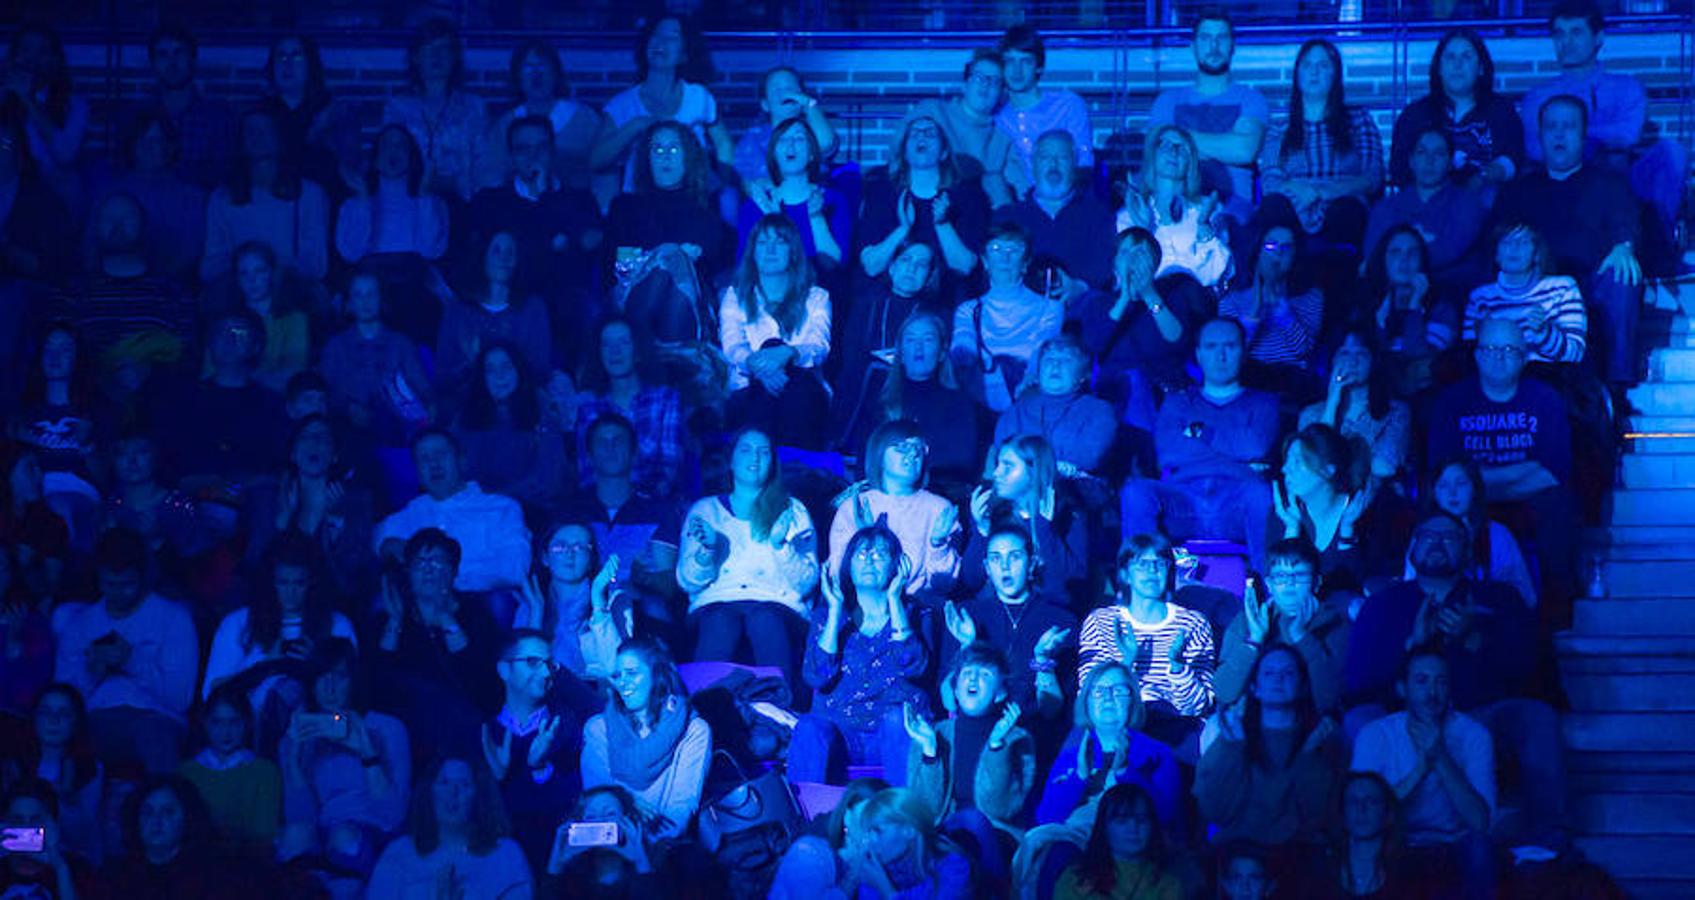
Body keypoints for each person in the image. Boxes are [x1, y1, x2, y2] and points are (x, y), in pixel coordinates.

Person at [1491, 94, 1643, 384]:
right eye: (1551, 127)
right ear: (1541, 136)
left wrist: (1624, 247)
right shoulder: (1518, 191)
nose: (1559, 134)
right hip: (1535, 288)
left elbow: (1627, 224)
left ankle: (1617, 385)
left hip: (1591, 283)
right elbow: (1498, 242)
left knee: (1623, 274)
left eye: (1569, 126)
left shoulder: (1609, 183)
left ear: (1583, 135)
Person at [1426, 319, 1577, 605]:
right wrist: (1521, 473)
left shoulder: (1546, 400)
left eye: (1508, 349)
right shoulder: (1452, 401)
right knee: (1446, 498)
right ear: (1477, 355)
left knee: (1560, 504)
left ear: (1524, 357)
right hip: (1465, 500)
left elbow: (1553, 473)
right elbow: (1443, 474)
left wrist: (1476, 479)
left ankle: (1557, 610)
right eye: (1490, 348)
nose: (1498, 356)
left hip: (1532, 503)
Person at [1520, 1, 1687, 249]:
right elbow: (1535, 148)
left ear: (1598, 38)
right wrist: (1595, 140)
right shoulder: (1538, 97)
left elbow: (1628, 135)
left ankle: (1660, 246)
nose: (1566, 42)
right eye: (1559, 34)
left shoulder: (1626, 87)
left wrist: (1572, 133)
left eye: (1576, 32)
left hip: (1623, 175)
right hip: (1565, 180)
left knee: (1671, 151)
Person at [1119, 318, 1279, 566]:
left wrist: (1199, 432)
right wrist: (1236, 454)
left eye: (1230, 346)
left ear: (1243, 352)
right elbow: (1169, 452)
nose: (1221, 355)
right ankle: (1139, 580)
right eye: (1211, 347)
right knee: (1136, 491)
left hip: (1235, 500)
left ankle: (1267, 591)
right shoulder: (1178, 402)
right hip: (1183, 500)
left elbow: (1255, 446)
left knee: (1259, 493)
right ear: (1199, 355)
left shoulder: (1264, 403)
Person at [1351, 647, 1495, 899]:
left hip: (1452, 844)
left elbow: (1481, 822)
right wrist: (1420, 770)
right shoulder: (1376, 734)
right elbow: (1359, 815)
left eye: (1440, 682)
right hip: (1395, 845)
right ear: (1402, 689)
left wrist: (1440, 757)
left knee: (1481, 849)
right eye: (1421, 681)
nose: (1431, 693)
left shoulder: (1474, 735)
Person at [51, 528, 197, 775]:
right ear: (98, 578)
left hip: (155, 718)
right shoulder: (80, 625)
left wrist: (131, 660)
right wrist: (92, 672)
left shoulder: (174, 618)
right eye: (110, 584)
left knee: (154, 734)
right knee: (65, 739)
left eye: (127, 584)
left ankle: (166, 806)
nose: (118, 592)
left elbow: (179, 699)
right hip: (95, 718)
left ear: (142, 577)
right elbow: (64, 700)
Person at [792, 524, 929, 785]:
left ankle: (902, 815)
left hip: (892, 734)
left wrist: (895, 601)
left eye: (879, 554)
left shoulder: (916, 614)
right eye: (861, 554)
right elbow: (816, 676)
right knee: (809, 727)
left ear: (896, 566)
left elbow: (914, 666)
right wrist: (834, 612)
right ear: (849, 565)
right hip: (842, 735)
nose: (869, 560)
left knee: (897, 718)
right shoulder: (828, 617)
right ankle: (804, 821)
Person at [459, 115, 603, 354]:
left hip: (565, 295)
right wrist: (557, 242)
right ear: (511, 156)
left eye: (541, 147)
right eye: (523, 149)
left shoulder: (579, 199)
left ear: (552, 150)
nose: (533, 156)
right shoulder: (490, 202)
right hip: (511, 294)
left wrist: (543, 199)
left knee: (587, 308)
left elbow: (589, 246)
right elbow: (490, 259)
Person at [677, 428, 819, 671]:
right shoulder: (706, 510)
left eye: (763, 452)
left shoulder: (793, 511)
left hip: (776, 603)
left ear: (773, 462)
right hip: (717, 601)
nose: (754, 458)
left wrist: (780, 545)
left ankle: (776, 700)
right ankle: (705, 702)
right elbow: (688, 582)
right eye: (746, 450)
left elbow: (806, 582)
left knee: (764, 618)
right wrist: (707, 551)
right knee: (720, 621)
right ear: (731, 459)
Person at [277, 639, 410, 870]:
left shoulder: (386, 728)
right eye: (321, 676)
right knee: (294, 836)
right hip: (321, 836)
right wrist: (294, 763)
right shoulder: (296, 736)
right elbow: (301, 818)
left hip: (371, 832)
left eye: (339, 676)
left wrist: (367, 753)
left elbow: (393, 816)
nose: (329, 687)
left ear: (353, 681)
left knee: (344, 838)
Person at [372, 529, 502, 764]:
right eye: (419, 562)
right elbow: (378, 687)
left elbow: (485, 689)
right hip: (409, 731)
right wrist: (394, 622)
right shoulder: (390, 619)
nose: (428, 569)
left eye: (437, 561)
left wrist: (447, 621)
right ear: (407, 572)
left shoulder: (475, 615)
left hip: (463, 725)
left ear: (454, 571)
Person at [1195, 643, 1341, 848]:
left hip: (1299, 852)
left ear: (1303, 684)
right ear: (1255, 687)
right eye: (1268, 672)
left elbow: (1320, 814)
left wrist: (1309, 756)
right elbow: (1214, 809)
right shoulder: (1232, 735)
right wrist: (1233, 748)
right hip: (1238, 851)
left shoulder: (1321, 737)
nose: (1278, 679)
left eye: (1288, 672)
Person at [1077, 536, 1218, 737]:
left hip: (1175, 725)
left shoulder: (1193, 623)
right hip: (1119, 724)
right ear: (1125, 574)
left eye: (1160, 563)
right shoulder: (1101, 622)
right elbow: (1089, 696)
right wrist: (1126, 662)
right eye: (1142, 564)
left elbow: (1198, 707)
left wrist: (1178, 668)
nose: (1152, 571)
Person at [943, 526, 1075, 735]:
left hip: (1036, 736)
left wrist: (1043, 660)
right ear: (987, 567)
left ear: (1031, 563)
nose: (1005, 567)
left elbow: (1052, 712)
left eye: (1014, 557)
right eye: (996, 559)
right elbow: (948, 700)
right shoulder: (967, 615)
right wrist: (967, 646)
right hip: (977, 734)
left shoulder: (1059, 620)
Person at [717, 215, 834, 448]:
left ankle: (790, 464)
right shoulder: (735, 296)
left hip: (803, 392)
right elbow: (732, 347)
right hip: (747, 391)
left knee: (784, 363)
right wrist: (758, 366)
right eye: (762, 243)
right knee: (770, 350)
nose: (770, 250)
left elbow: (819, 346)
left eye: (779, 242)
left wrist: (788, 354)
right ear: (753, 252)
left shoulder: (816, 297)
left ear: (792, 251)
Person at [580, 637, 712, 841]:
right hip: (608, 846)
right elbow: (597, 803)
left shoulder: (694, 730)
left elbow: (680, 809)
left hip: (663, 849)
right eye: (617, 675)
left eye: (632, 673)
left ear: (657, 675)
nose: (623, 682)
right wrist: (627, 802)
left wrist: (645, 853)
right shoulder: (598, 728)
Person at [1146, 9, 1270, 225]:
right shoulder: (1168, 101)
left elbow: (1244, 150)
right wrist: (1225, 144)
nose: (1214, 47)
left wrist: (1180, 140)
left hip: (1233, 207)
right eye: (1205, 38)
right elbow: (1156, 150)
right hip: (1177, 200)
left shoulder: (1251, 99)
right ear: (1193, 46)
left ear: (1233, 46)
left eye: (1221, 38)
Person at [593, 16, 733, 204]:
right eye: (656, 35)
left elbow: (724, 143)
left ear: (685, 52)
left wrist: (722, 182)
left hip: (694, 201)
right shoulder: (622, 104)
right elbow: (595, 160)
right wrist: (634, 127)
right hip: (641, 202)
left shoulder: (699, 97)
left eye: (672, 37)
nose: (661, 42)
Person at [1258, 39, 1383, 251]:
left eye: (1323, 65)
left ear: (1335, 75)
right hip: (1295, 206)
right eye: (1307, 65)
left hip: (1342, 205)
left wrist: (1323, 192)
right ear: (1297, 75)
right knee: (1273, 208)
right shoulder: (1279, 128)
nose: (1314, 72)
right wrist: (1302, 192)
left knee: (1347, 212)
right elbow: (1271, 181)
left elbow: (1372, 177)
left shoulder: (1359, 119)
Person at [200, 534, 358, 701]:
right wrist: (264, 665)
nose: (291, 592)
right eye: (283, 582)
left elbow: (353, 695)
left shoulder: (337, 625)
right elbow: (212, 696)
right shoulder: (238, 623)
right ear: (270, 582)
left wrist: (318, 664)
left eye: (299, 583)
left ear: (312, 583)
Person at [905, 642, 1038, 838]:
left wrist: (996, 747)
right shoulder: (933, 735)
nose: (973, 677)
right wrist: (930, 753)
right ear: (956, 690)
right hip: (945, 837)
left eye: (985, 674)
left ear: (1000, 693)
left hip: (996, 838)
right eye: (967, 672)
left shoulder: (1017, 740)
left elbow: (999, 809)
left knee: (972, 822)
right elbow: (926, 812)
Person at [374, 428, 531, 594]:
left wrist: (448, 577)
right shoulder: (408, 514)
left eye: (441, 454)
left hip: (479, 605)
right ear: (417, 471)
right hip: (423, 611)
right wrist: (387, 546)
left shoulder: (501, 508)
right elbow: (377, 541)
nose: (434, 464)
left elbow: (515, 570)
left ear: (461, 460)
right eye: (424, 458)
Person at [1032, 661, 1182, 833]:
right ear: (1086, 703)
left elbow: (1165, 816)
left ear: (1133, 701)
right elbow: (1046, 818)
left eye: (1119, 691)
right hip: (1076, 847)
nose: (1108, 697)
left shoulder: (1158, 754)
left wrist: (1125, 772)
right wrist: (1079, 776)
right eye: (1098, 691)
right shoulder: (1073, 755)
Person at [556, 413, 683, 607]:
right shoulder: (571, 511)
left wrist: (645, 579)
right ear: (589, 456)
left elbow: (668, 585)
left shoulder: (658, 510)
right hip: (580, 608)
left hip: (639, 609)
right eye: (602, 441)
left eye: (618, 440)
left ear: (634, 453)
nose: (610, 447)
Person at [365, 755, 533, 899]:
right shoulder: (399, 854)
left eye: (465, 784)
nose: (453, 791)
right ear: (429, 792)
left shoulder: (506, 855)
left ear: (478, 796)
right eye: (444, 782)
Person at [1215, 538, 1351, 716]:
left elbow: (1328, 701)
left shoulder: (1336, 624)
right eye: (1280, 576)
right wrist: (1254, 641)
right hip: (1255, 719)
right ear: (1269, 585)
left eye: (1300, 575)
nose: (1289, 583)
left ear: (1317, 582)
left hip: (1311, 722)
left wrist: (1302, 638)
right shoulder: (1248, 621)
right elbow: (1224, 693)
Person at [831, 239, 946, 449]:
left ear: (929, 275)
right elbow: (851, 353)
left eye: (921, 265)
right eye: (905, 260)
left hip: (912, 381)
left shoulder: (935, 315)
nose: (911, 268)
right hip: (864, 380)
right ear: (892, 267)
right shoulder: (866, 304)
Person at [605, 120, 734, 305]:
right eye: (658, 150)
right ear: (647, 159)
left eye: (673, 150)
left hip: (689, 304)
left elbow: (714, 266)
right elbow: (616, 266)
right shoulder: (624, 208)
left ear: (688, 157)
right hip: (632, 296)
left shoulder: (707, 208)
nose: (665, 156)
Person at [828, 420, 962, 597]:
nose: (912, 454)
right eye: (902, 447)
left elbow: (945, 584)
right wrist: (865, 537)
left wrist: (938, 545)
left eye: (918, 448)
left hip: (917, 608)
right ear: (879, 454)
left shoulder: (939, 508)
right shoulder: (856, 506)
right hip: (863, 607)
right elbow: (838, 573)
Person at [60, 192, 197, 364]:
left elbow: (186, 355)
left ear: (143, 225)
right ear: (96, 227)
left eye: (128, 218)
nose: (117, 226)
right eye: (108, 218)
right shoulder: (74, 291)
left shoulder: (173, 290)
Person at [483, 628, 580, 870]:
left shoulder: (565, 725)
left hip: (554, 859)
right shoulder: (483, 730)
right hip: (493, 860)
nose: (546, 672)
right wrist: (494, 780)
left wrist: (539, 768)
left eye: (549, 664)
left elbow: (574, 803)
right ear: (504, 670)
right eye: (533, 662)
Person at [201, 106, 331, 283]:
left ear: (279, 137)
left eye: (265, 129)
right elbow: (212, 266)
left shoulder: (309, 195)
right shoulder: (222, 198)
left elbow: (316, 264)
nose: (258, 136)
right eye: (250, 130)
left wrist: (273, 275)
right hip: (239, 291)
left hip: (291, 291)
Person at [859, 311, 984, 489]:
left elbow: (961, 461)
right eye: (910, 340)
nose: (918, 347)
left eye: (927, 340)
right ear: (900, 352)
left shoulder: (959, 402)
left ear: (941, 352)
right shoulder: (881, 399)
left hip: (939, 493)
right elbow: (867, 458)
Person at [1388, 29, 1524, 193]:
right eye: (1450, 57)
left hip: (1484, 200)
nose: (1457, 65)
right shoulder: (1415, 115)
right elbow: (1399, 170)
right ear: (1438, 67)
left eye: (1466, 57)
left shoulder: (1501, 110)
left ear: (1481, 67)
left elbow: (1514, 159)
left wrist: (1484, 176)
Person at [859, 115, 988, 285]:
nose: (922, 136)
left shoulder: (967, 196)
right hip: (889, 297)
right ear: (904, 152)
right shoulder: (881, 193)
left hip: (946, 297)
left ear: (944, 152)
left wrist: (943, 223)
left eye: (930, 133)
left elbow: (963, 267)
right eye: (914, 134)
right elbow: (872, 266)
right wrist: (902, 230)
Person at [951, 222, 1064, 412]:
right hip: (978, 398)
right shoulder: (969, 309)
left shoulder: (1050, 308)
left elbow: (1043, 347)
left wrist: (1029, 380)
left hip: (1031, 396)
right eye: (996, 249)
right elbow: (963, 345)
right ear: (985, 261)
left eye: (1014, 249)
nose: (1005, 257)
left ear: (1026, 262)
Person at [962, 435, 1090, 603]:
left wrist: (1045, 530)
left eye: (1007, 466)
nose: (996, 473)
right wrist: (982, 531)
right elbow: (972, 581)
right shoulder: (992, 514)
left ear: (1033, 472)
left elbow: (1068, 588)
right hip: (999, 614)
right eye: (998, 464)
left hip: (1048, 615)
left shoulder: (1070, 516)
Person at [319, 266, 435, 446]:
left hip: (397, 430)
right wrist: (348, 408)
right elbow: (324, 392)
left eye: (371, 294)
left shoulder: (401, 343)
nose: (365, 302)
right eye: (358, 295)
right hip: (347, 432)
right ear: (349, 303)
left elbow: (421, 387)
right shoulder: (335, 347)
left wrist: (426, 407)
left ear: (382, 300)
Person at [86, 113, 208, 284]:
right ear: (131, 145)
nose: (148, 147)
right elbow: (91, 247)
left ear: (169, 147)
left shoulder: (193, 198)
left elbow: (191, 252)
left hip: (170, 291)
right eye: (142, 140)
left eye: (156, 140)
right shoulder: (108, 193)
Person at [571, 316, 685, 497]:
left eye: (623, 342)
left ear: (637, 350)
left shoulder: (665, 399)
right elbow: (587, 471)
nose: (614, 351)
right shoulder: (589, 408)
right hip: (603, 508)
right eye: (607, 344)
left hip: (654, 505)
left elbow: (668, 467)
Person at [450, 342, 570, 511]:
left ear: (518, 371)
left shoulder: (541, 411)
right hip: (471, 508)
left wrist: (500, 498)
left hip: (527, 510)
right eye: (491, 370)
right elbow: (452, 469)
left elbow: (549, 476)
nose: (500, 376)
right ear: (482, 377)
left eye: (506, 367)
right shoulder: (464, 417)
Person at [1364, 128, 1489, 289]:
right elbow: (1375, 257)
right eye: (1422, 152)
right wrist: (1423, 243)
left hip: (1451, 293)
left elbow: (1448, 252)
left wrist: (1400, 256)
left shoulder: (1467, 205)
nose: (1429, 161)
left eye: (1439, 154)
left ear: (1451, 162)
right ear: (1411, 160)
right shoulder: (1385, 208)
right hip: (1391, 294)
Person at [998, 129, 1116, 295]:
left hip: (1081, 310)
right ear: (1033, 163)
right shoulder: (1009, 218)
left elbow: (1105, 268)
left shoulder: (1098, 215)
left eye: (1062, 158)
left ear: (1075, 162)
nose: (1053, 165)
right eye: (1045, 158)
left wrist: (1079, 288)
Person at [381, 20, 487, 202]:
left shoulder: (474, 107)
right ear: (415, 56)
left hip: (462, 203)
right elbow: (390, 159)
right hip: (409, 202)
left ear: (454, 57)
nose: (436, 55)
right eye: (428, 47)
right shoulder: (397, 108)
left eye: (444, 48)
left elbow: (482, 163)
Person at [515, 523, 631, 686]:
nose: (569, 553)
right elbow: (522, 675)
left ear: (592, 559)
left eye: (580, 547)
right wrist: (536, 614)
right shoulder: (533, 602)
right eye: (560, 547)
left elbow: (616, 669)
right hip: (543, 693)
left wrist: (597, 600)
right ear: (545, 557)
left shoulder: (615, 601)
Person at [480, 40, 604, 194]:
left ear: (555, 73)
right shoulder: (504, 125)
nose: (536, 74)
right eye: (528, 66)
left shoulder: (585, 119)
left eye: (543, 65)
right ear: (517, 75)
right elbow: (491, 176)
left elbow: (602, 172)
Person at [1118, 125, 1233, 289]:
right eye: (1164, 144)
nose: (1173, 151)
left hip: (1197, 306)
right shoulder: (1129, 215)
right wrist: (1143, 230)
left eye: (1182, 148)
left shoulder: (1207, 210)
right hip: (1148, 305)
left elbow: (1213, 276)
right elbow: (1129, 277)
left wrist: (1203, 227)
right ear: (1152, 156)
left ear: (1190, 162)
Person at [436, 229, 553, 387]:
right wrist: (472, 363)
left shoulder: (533, 308)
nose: (503, 258)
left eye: (510, 252)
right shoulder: (458, 310)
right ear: (483, 256)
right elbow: (444, 372)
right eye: (496, 251)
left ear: (517, 260)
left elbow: (540, 368)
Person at [1417, 457, 1538, 609]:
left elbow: (1525, 596)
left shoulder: (1498, 534)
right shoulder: (1422, 535)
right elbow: (1411, 589)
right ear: (1434, 493)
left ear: (1474, 489)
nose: (1452, 492)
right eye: (1443, 485)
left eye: (1461, 484)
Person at [3, 685, 105, 866]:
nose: (53, 720)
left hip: (69, 858)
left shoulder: (90, 769)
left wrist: (65, 799)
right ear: (34, 718)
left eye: (64, 713)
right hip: (12, 857)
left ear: (76, 721)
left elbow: (83, 835)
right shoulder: (12, 764)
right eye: (45, 712)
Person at [993, 334, 1118, 478]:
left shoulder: (1099, 411)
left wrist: (1031, 457)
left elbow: (1090, 457)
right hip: (1023, 490)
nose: (1055, 365)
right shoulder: (1016, 411)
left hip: (1077, 492)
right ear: (1039, 371)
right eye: (1049, 359)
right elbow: (1006, 455)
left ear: (1084, 375)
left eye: (1066, 360)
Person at [1462, 224, 1587, 366]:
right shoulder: (1480, 297)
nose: (1514, 248)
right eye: (1506, 242)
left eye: (1524, 242)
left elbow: (1575, 354)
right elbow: (1471, 355)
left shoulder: (1562, 287)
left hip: (1547, 376)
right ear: (1496, 253)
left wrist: (1544, 332)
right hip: (1496, 379)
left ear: (1536, 253)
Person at [255, 34, 362, 200]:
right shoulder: (259, 115)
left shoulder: (334, 113)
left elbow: (349, 168)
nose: (287, 63)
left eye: (296, 56)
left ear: (310, 64)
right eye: (281, 56)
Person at [737, 118, 850, 274]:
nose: (790, 146)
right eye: (782, 140)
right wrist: (775, 221)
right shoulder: (757, 204)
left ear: (811, 153)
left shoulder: (833, 200)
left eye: (799, 139)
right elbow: (745, 267)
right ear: (774, 154)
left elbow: (832, 265)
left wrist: (816, 217)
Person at [1355, 229, 1459, 397]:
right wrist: (1380, 326)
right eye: (1396, 252)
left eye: (1413, 252)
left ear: (1422, 260)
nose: (1404, 259)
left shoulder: (1442, 309)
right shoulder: (1366, 304)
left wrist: (1414, 307)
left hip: (1425, 397)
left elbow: (1420, 360)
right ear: (1383, 259)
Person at [134, 24, 238, 192]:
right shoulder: (137, 116)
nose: (172, 62)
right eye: (163, 55)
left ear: (193, 60)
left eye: (179, 53)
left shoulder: (218, 118)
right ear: (152, 64)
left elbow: (225, 177)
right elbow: (126, 172)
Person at [179, 686, 281, 857]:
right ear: (205, 723)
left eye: (234, 722)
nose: (226, 732)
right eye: (217, 722)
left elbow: (264, 835)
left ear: (247, 723)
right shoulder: (185, 772)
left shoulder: (265, 772)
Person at [1299, 332, 1413, 484]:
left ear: (1373, 361)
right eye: (1344, 353)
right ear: (1332, 360)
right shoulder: (1311, 414)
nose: (1352, 362)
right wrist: (1332, 402)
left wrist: (1334, 463)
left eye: (1361, 353)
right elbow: (1313, 463)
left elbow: (1384, 466)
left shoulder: (1396, 412)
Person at [907, 49, 1016, 207]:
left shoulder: (1003, 133)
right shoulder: (933, 113)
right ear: (964, 85)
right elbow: (900, 155)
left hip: (985, 214)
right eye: (979, 78)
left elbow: (1017, 181)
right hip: (931, 202)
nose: (986, 85)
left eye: (994, 81)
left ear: (1001, 93)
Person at [1218, 221, 1325, 377]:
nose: (1278, 253)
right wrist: (1254, 312)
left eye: (1286, 247)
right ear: (1257, 251)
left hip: (1292, 379)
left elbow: (1303, 351)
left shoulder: (1310, 297)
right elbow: (1230, 354)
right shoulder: (1231, 301)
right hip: (1249, 379)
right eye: (1270, 246)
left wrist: (1283, 312)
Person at [995, 25, 1092, 197]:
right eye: (1009, 61)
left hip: (1068, 201)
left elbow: (1084, 164)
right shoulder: (997, 117)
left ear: (1039, 67)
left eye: (1025, 61)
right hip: (1018, 207)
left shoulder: (1067, 105)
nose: (1017, 71)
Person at [334, 123, 450, 265]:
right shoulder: (351, 205)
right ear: (375, 159)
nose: (393, 150)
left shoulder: (435, 204)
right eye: (386, 145)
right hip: (370, 282)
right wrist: (363, 199)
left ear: (411, 157)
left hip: (416, 280)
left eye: (400, 145)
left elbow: (430, 251)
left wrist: (424, 194)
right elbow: (352, 253)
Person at [1272, 425, 1374, 585]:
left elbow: (1356, 589)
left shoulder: (1361, 513)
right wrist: (1292, 529)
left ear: (1328, 469)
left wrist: (1347, 531)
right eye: (1286, 461)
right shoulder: (1283, 514)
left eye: (1297, 462)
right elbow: (1282, 588)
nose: (1285, 469)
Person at [1, 26, 86, 208]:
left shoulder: (75, 104)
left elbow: (65, 155)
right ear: (13, 56)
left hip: (52, 190)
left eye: (42, 51)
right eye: (25, 50)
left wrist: (28, 100)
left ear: (55, 59)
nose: (32, 59)